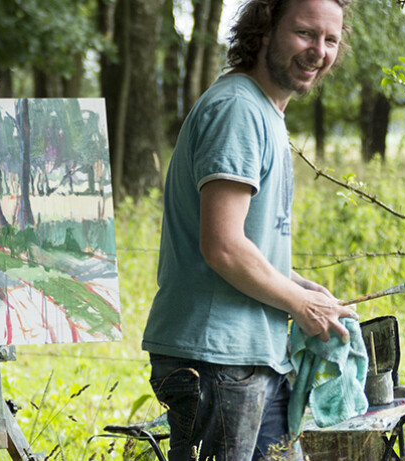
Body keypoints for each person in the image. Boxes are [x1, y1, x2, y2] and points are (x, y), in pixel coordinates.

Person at [141, 0, 356, 458]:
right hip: (217, 357)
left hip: (248, 355)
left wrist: (299, 286)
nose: (319, 50)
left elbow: (242, 241)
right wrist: (298, 303)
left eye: (330, 39)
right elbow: (221, 246)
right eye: (304, 33)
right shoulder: (238, 110)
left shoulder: (263, 111)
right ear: (263, 32)